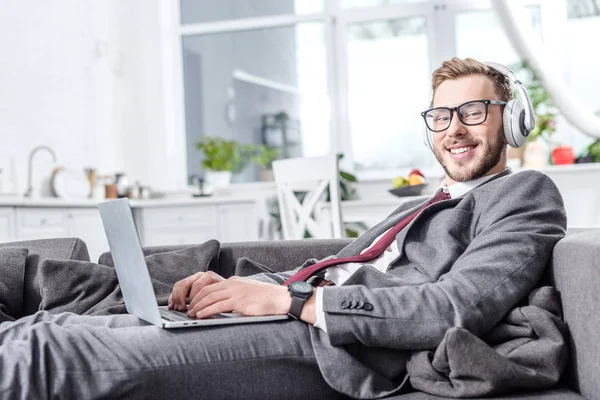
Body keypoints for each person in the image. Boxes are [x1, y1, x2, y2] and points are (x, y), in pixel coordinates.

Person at [0, 57, 566, 399]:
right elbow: (342, 268)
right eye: (442, 116)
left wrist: (284, 303)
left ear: (510, 118)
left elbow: (450, 309)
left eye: (473, 111)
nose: (453, 129)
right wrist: (241, 289)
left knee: (50, 354)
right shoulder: (434, 199)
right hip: (301, 310)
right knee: (50, 324)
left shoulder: (525, 193)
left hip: (336, 346)